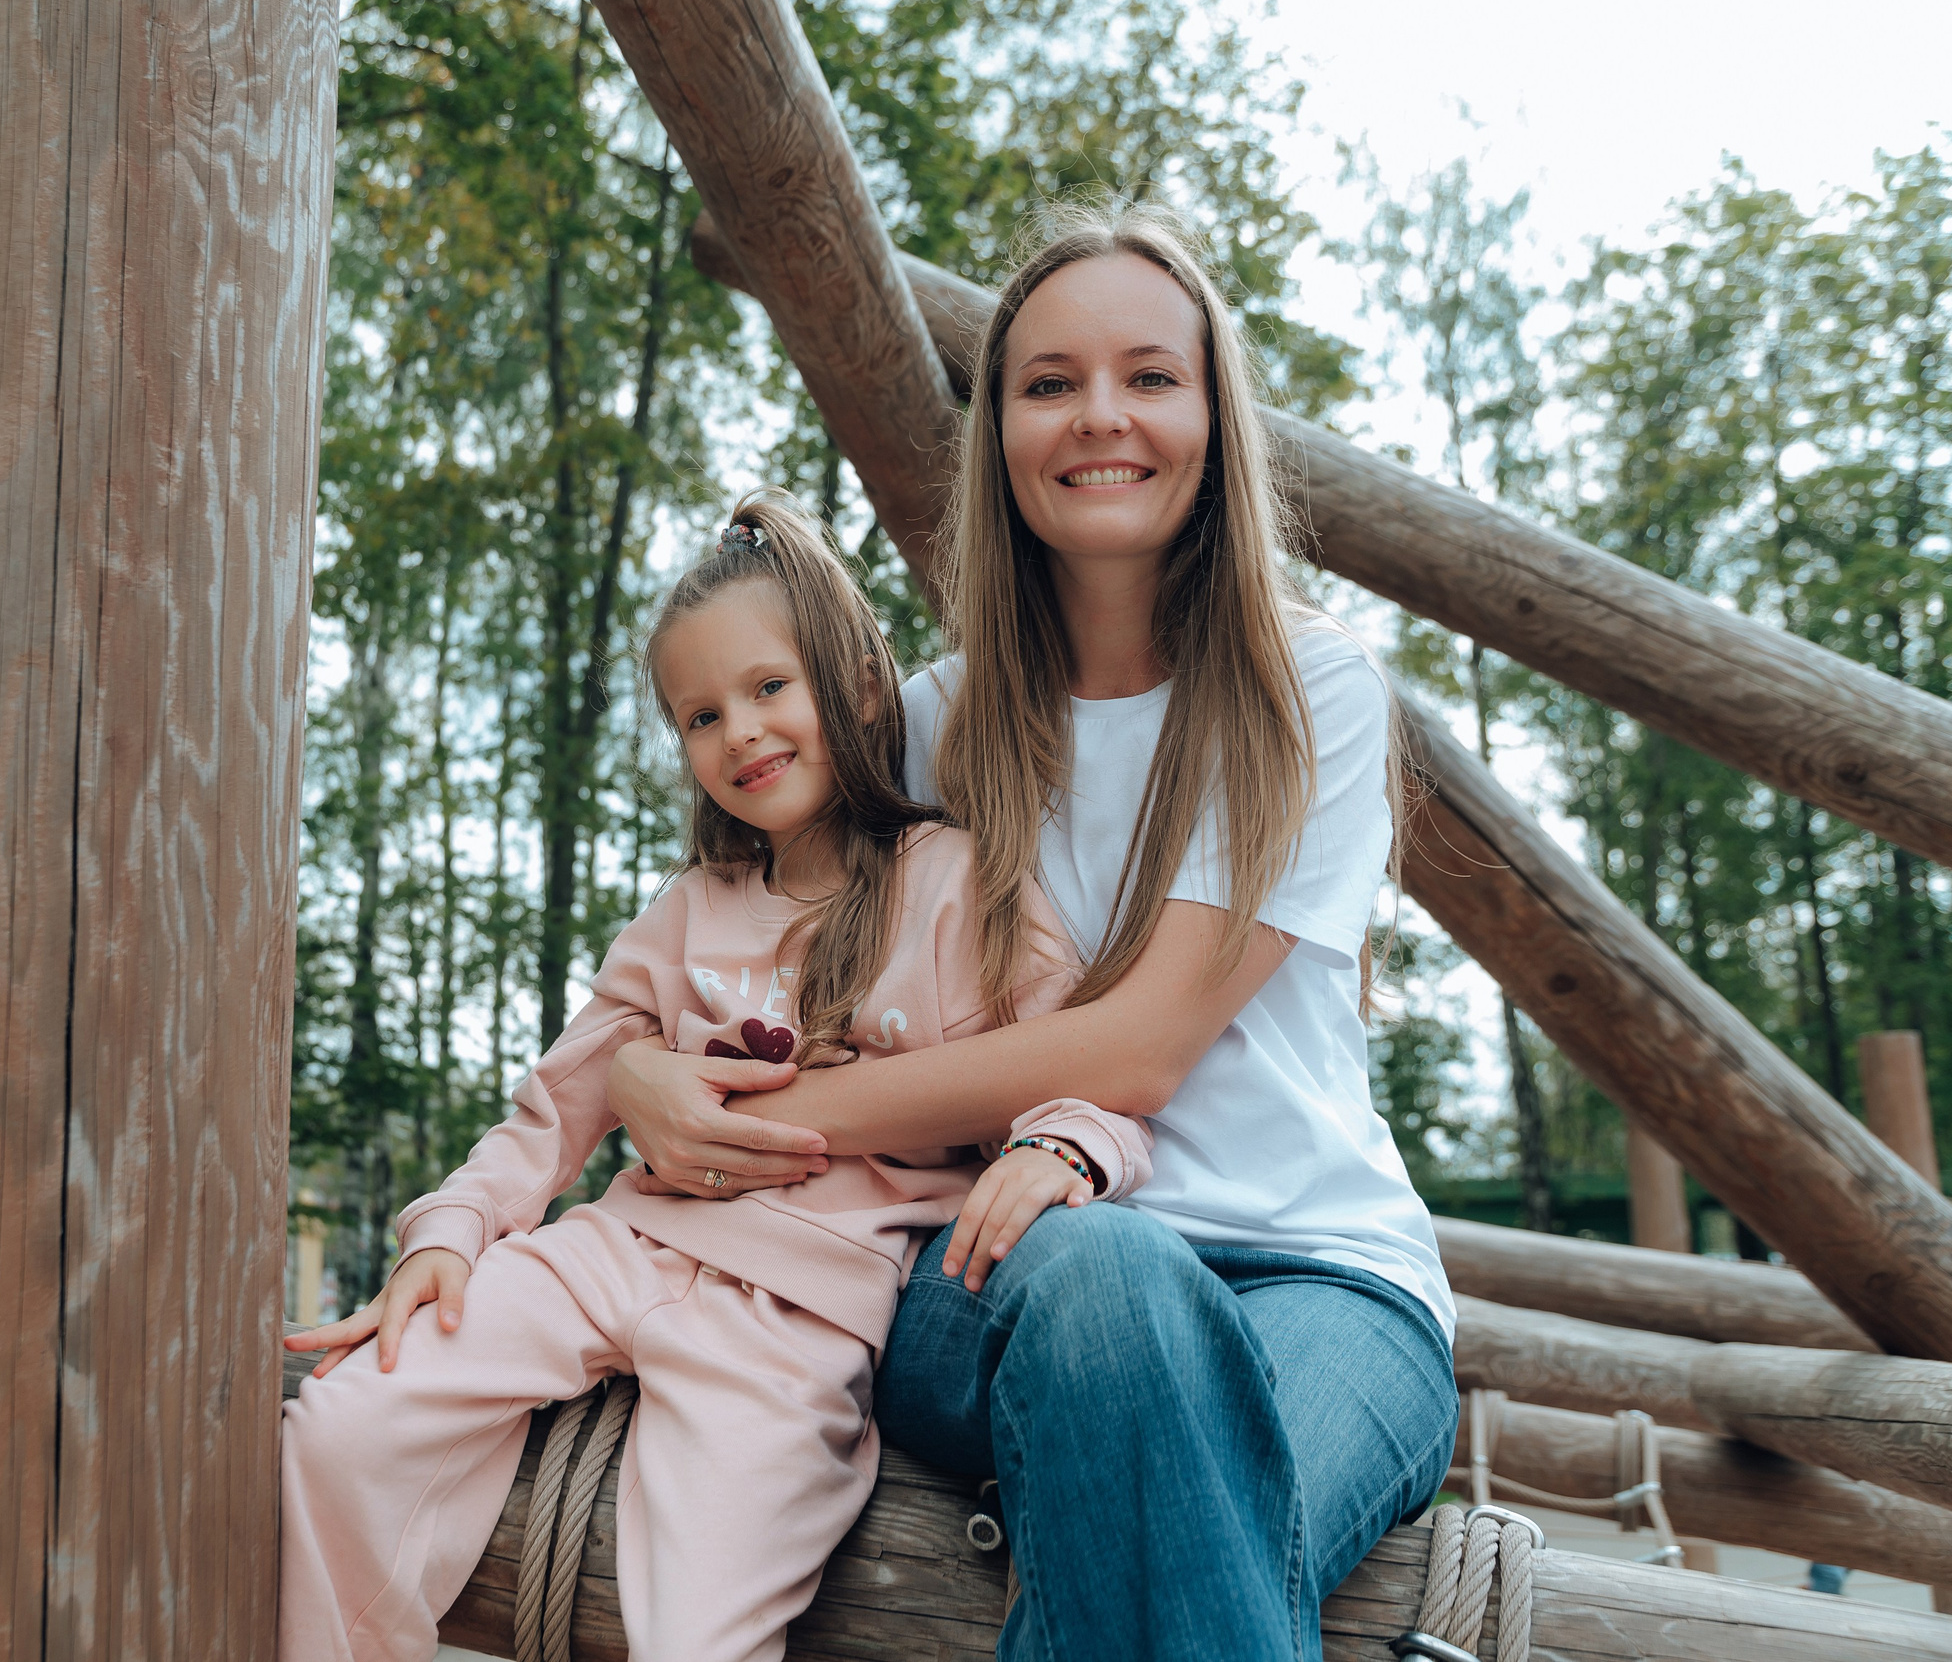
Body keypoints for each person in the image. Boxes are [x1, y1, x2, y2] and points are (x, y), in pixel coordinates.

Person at [606, 204, 1460, 1659]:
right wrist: (636, 1074)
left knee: (1165, 1547)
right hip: (992, 1270)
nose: (1100, 416)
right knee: (1114, 1285)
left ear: (1213, 414)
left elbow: (1134, 1051)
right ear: (998, 429)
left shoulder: (1309, 691)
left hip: (1323, 1276)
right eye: (1049, 382)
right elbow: (736, 928)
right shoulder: (927, 728)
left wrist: (778, 1113)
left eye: (1150, 374)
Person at [278, 493, 1154, 1662]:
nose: (738, 731)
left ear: (852, 681)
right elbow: (556, 1106)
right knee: (340, 1427)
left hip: (796, 1314)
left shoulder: (958, 882)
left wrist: (1061, 1148)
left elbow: (1086, 1070)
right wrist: (448, 1231)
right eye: (699, 713)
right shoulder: (686, 907)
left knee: (700, 1627)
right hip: (610, 1252)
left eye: (766, 688)